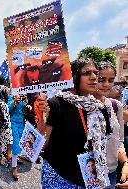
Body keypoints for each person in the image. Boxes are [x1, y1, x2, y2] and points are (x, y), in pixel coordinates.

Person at [39, 59, 112, 188]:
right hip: (59, 176)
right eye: (86, 73)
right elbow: (42, 145)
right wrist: (41, 118)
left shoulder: (100, 109)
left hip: (89, 178)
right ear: (72, 77)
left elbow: (105, 143)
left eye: (96, 73)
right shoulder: (56, 104)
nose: (94, 77)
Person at [92, 62, 128, 188]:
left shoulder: (116, 106)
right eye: (101, 79)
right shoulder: (81, 105)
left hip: (111, 173)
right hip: (87, 173)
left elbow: (119, 140)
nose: (106, 84)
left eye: (111, 80)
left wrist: (125, 163)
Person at [7, 94, 26, 180]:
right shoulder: (12, 96)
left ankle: (16, 158)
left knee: (21, 143)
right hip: (13, 123)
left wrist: (28, 106)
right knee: (15, 144)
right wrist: (14, 102)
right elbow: (8, 109)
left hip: (22, 123)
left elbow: (23, 109)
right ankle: (14, 168)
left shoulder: (24, 96)